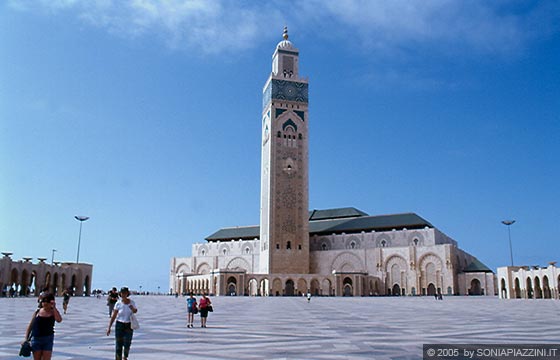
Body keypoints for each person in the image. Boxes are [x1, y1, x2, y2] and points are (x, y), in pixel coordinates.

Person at [25, 293, 63, 360]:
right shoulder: (37, 312)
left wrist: (54, 308)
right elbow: (30, 326)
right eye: (43, 301)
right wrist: (26, 339)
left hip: (47, 339)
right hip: (36, 339)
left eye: (47, 301)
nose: (45, 303)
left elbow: (59, 320)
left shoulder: (52, 312)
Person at [107, 287, 138, 360]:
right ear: (120, 294)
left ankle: (125, 356)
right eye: (122, 293)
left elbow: (135, 311)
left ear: (127, 294)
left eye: (125, 293)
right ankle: (118, 358)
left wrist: (132, 309)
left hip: (129, 325)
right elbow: (114, 316)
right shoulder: (118, 303)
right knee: (118, 344)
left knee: (127, 343)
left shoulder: (132, 302)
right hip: (119, 325)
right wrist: (109, 327)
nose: (123, 294)